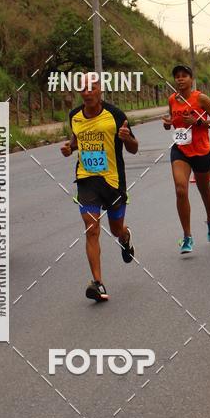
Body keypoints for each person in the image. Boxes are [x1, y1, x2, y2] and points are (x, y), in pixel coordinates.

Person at [61, 75, 138, 302]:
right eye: (82, 88)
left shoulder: (116, 115)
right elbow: (77, 139)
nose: (86, 92)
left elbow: (134, 148)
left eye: (91, 88)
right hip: (86, 178)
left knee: (115, 229)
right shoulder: (74, 115)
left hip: (113, 181)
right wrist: (70, 147)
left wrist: (126, 138)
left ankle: (125, 237)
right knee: (91, 227)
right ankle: (98, 283)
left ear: (100, 90)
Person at [162, 63, 210, 253]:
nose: (180, 79)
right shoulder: (172, 99)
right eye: (177, 76)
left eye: (184, 76)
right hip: (180, 150)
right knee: (181, 190)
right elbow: (174, 123)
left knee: (204, 190)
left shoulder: (201, 99)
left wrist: (198, 121)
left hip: (202, 151)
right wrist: (168, 124)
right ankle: (187, 236)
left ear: (191, 79)